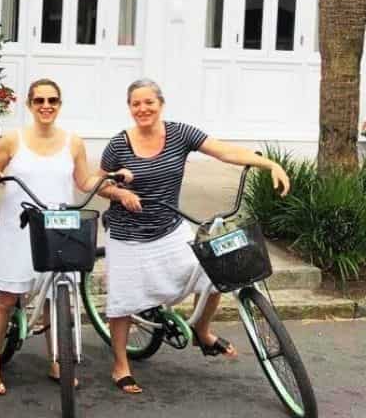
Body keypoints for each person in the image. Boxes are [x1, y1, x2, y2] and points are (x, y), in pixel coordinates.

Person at [98, 78, 290, 394]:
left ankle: (202, 330)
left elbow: (223, 151)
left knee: (214, 272)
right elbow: (96, 181)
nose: (143, 108)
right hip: (127, 233)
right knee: (123, 301)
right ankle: (121, 364)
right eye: (136, 103)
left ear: (160, 104)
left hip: (170, 228)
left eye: (149, 102)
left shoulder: (180, 134)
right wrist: (118, 193)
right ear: (130, 108)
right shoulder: (119, 144)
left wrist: (267, 163)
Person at [0, 79, 130, 396]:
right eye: (39, 101)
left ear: (60, 104)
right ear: (30, 105)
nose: (46, 106)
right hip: (19, 229)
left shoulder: (73, 142)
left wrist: (114, 187)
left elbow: (86, 181)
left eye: (52, 100)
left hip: (59, 228)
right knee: (5, 299)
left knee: (56, 299)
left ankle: (57, 361)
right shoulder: (12, 139)